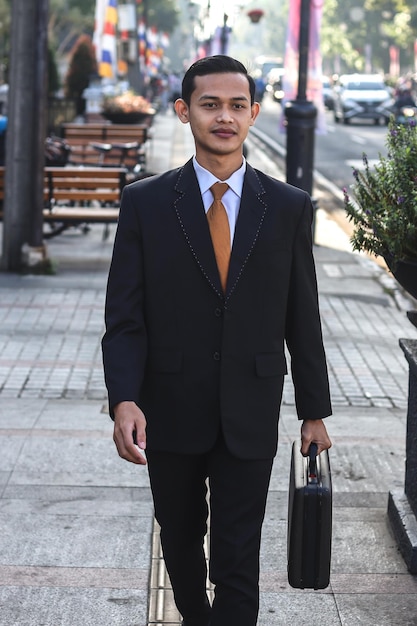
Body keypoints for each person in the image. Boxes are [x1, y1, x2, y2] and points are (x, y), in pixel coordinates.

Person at [102, 54, 332, 626]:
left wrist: (314, 412)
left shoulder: (288, 207)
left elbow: (302, 316)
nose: (223, 117)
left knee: (237, 558)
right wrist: (124, 399)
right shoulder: (146, 202)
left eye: (236, 105)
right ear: (184, 112)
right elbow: (125, 316)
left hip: (250, 412)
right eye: (210, 105)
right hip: (170, 408)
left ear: (254, 113)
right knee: (180, 543)